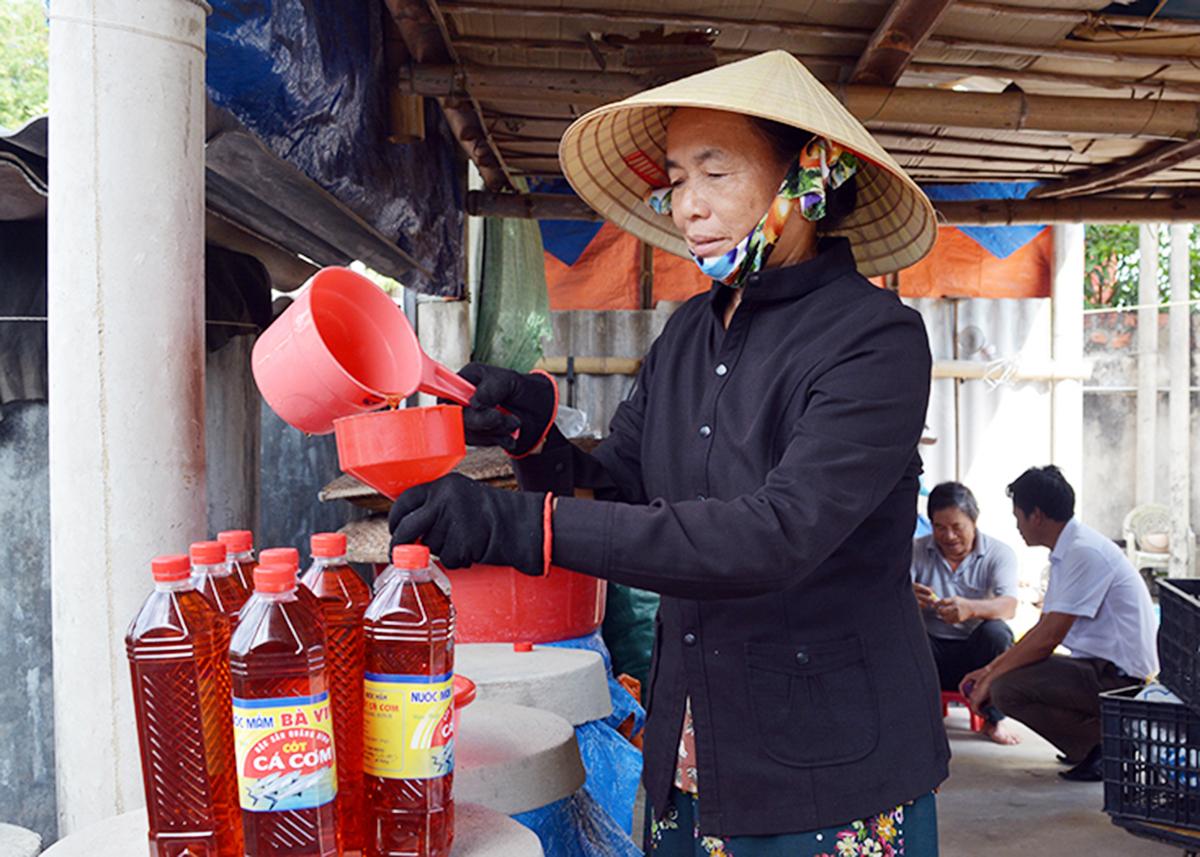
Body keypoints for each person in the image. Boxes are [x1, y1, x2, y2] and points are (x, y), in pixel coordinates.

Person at [389, 51, 949, 854]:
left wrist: (521, 526)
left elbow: (775, 534)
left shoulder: (875, 340)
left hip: (828, 771)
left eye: (715, 173)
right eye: (677, 179)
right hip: (689, 753)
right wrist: (535, 433)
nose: (689, 206)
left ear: (810, 177)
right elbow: (618, 493)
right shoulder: (689, 330)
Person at [960, 465, 1158, 782]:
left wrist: (991, 678)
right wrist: (987, 669)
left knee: (1006, 688)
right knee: (1004, 678)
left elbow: (1049, 637)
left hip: (1121, 680)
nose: (1017, 526)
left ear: (1036, 516)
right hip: (1098, 669)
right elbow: (1041, 629)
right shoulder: (1067, 551)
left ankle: (1106, 746)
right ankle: (1097, 742)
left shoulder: (1084, 552)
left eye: (1018, 517)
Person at [911, 481, 1021, 745]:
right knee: (903, 632)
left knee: (997, 633)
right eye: (940, 527)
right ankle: (918, 717)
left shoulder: (999, 553)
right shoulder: (914, 550)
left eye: (957, 527)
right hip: (931, 653)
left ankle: (993, 719)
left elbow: (1009, 606)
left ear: (974, 521)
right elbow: (889, 603)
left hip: (977, 657)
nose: (949, 536)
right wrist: (907, 600)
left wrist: (971, 608)